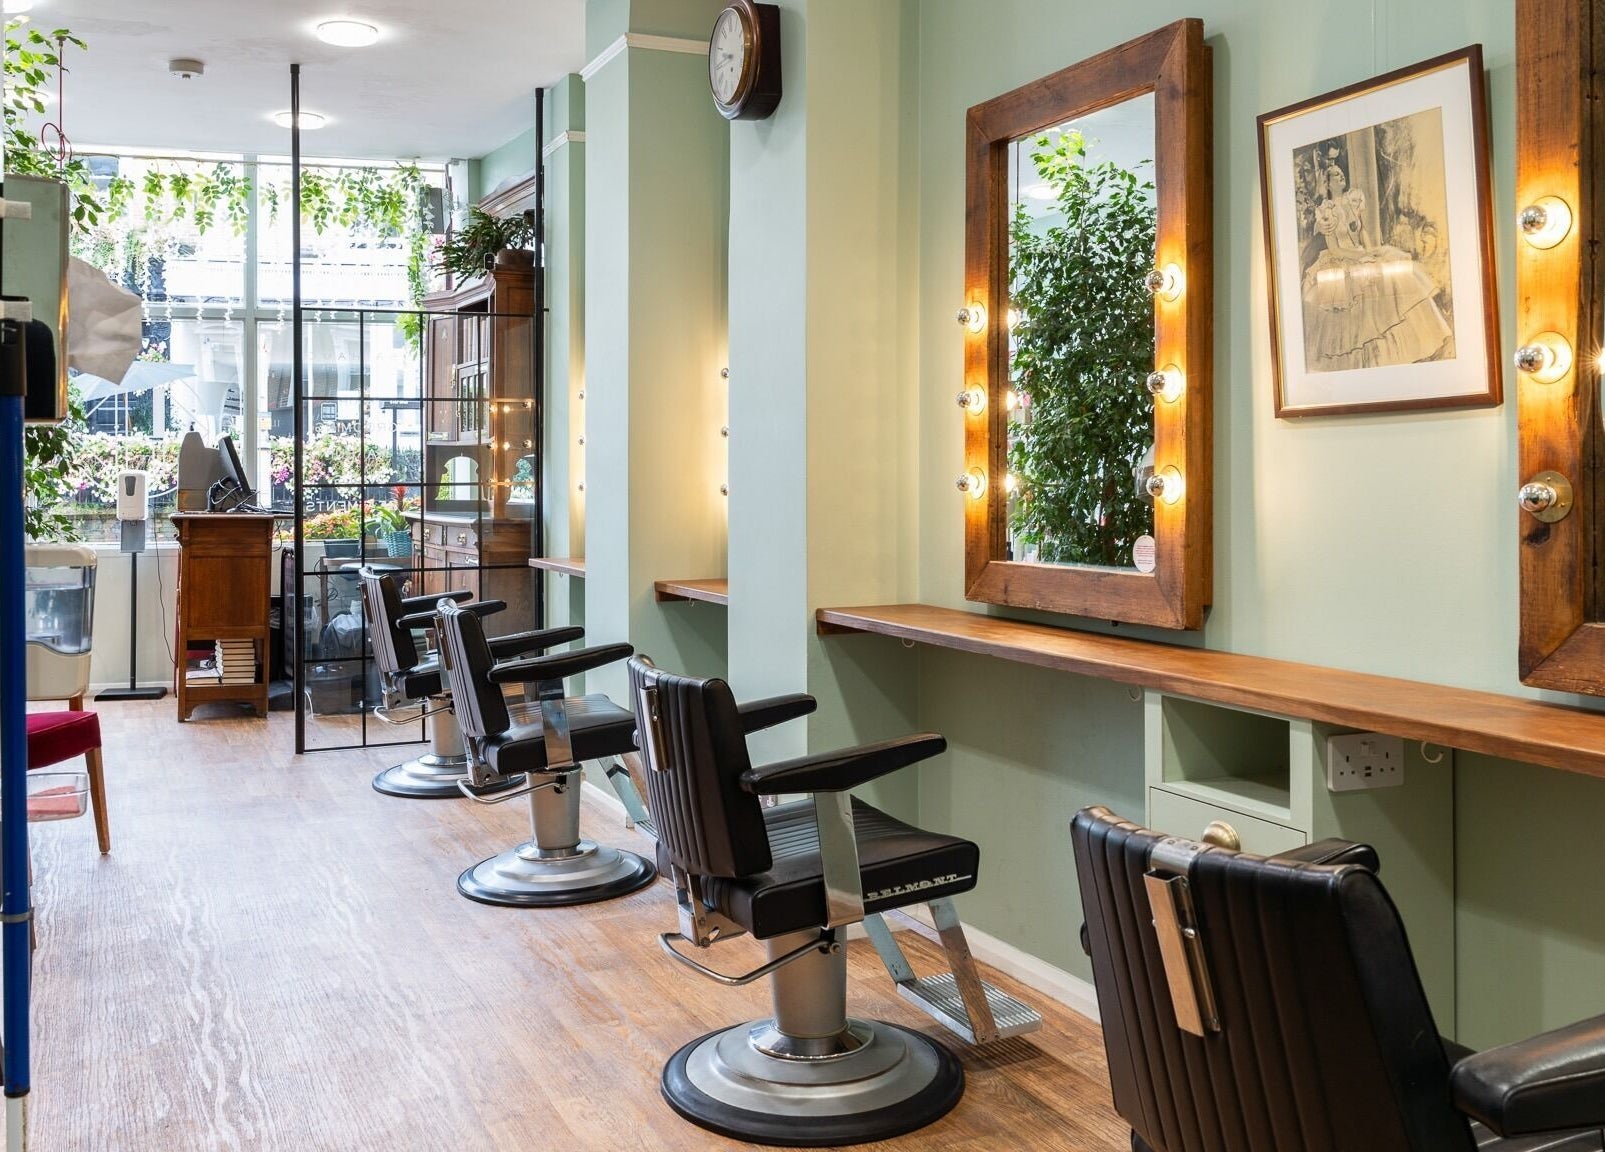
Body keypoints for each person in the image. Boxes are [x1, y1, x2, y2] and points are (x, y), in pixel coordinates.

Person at [1300, 159, 1452, 371]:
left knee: (1395, 270)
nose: (1341, 175)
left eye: (1341, 171)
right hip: (1338, 260)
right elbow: (1335, 249)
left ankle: (1409, 345)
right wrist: (1360, 256)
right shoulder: (1326, 211)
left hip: (1359, 253)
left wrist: (1372, 250)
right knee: (1361, 293)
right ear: (1326, 184)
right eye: (1335, 174)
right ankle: (1366, 361)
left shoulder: (1352, 200)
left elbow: (1361, 232)